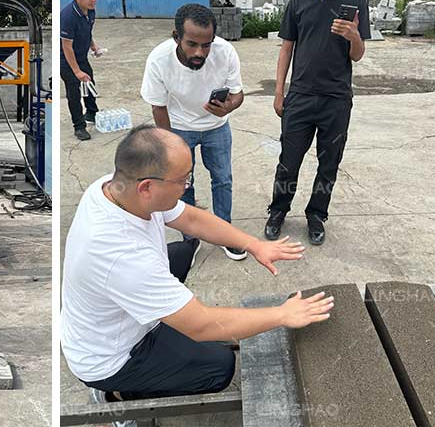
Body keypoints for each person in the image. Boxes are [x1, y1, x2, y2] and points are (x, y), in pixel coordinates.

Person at [61, 126, 331, 420]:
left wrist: (253, 245)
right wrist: (282, 315)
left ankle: (162, 329)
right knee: (219, 366)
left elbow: (190, 218)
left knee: (181, 253)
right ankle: (117, 396)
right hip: (112, 357)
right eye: (182, 180)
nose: (188, 185)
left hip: (109, 314)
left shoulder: (114, 187)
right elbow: (201, 325)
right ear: (147, 187)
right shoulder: (121, 255)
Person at [264, 0, 371, 246]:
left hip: (336, 100)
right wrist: (279, 92)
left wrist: (353, 34)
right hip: (299, 97)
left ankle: (316, 215)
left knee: (329, 164)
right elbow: (286, 49)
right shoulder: (299, 2)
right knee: (288, 161)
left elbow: (358, 55)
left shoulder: (355, 2)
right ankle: (278, 210)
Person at [142, 3, 248, 262]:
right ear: (176, 37)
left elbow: (238, 94)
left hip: (216, 127)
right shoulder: (159, 60)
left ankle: (225, 232)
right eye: (192, 44)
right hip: (179, 127)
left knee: (222, 179)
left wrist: (228, 108)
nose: (200, 52)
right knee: (183, 182)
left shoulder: (225, 52)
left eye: (206, 44)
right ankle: (191, 235)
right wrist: (169, 145)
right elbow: (158, 106)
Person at [60, 0, 103, 141]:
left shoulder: (90, 10)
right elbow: (66, 47)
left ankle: (91, 112)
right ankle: (79, 127)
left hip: (81, 56)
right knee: (74, 91)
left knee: (89, 81)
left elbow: (87, 31)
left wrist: (93, 46)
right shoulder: (68, 16)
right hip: (66, 59)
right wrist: (76, 71)